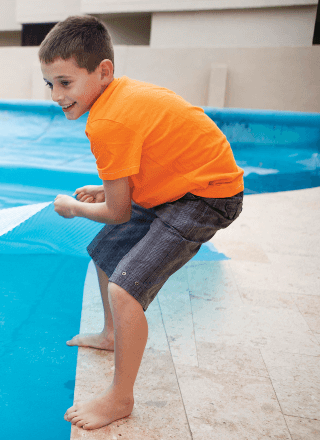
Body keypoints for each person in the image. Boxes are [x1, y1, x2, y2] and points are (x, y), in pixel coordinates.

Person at [39, 16, 244, 430]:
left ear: (104, 71)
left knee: (125, 288)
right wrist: (106, 187)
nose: (56, 95)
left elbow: (119, 212)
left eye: (65, 83)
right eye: (50, 84)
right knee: (104, 250)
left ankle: (120, 398)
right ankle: (111, 335)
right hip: (179, 184)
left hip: (208, 195)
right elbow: (149, 155)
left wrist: (73, 207)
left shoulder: (106, 121)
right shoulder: (119, 95)